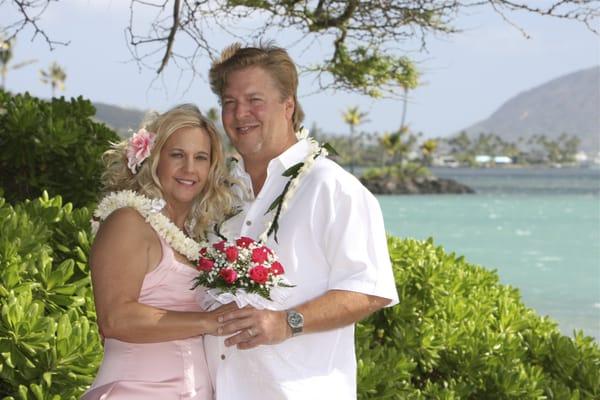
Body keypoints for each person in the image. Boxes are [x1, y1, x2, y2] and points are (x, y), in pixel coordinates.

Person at [204, 43, 399, 399]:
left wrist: (286, 322)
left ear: (288, 105)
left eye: (254, 100)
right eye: (229, 103)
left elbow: (369, 290)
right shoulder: (221, 192)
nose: (239, 113)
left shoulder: (332, 187)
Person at [82, 104, 238, 399]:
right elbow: (115, 319)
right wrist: (209, 322)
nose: (189, 169)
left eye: (200, 158)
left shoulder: (195, 240)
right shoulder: (128, 222)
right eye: (177, 155)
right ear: (154, 159)